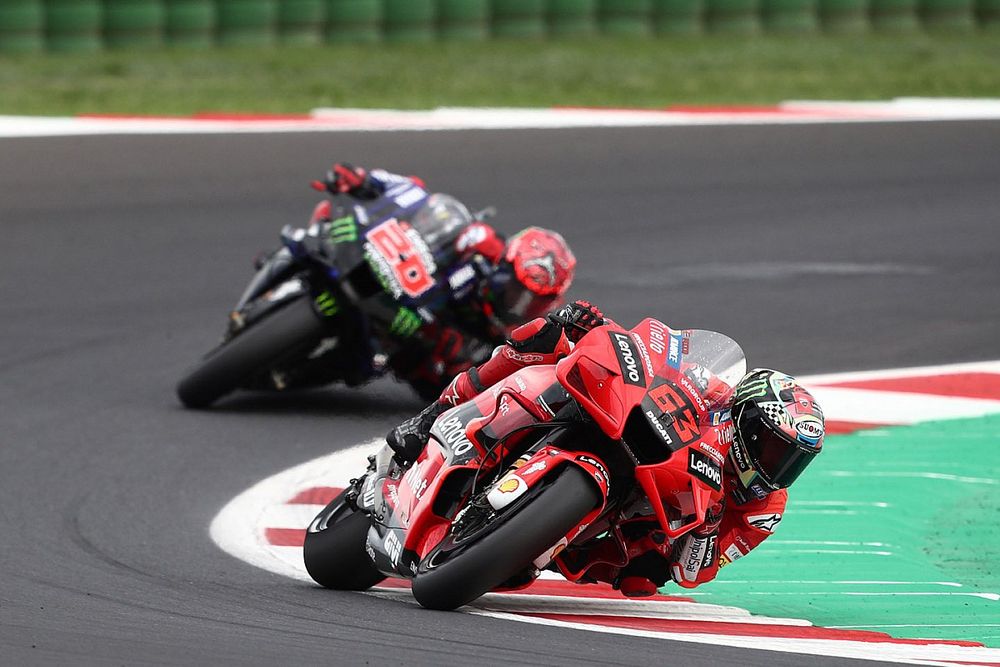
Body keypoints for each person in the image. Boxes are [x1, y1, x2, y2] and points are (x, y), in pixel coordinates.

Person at [386, 301, 825, 597]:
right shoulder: (712, 391)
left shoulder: (762, 509)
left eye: (792, 462)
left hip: (650, 507)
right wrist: (595, 327)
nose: (777, 468)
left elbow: (694, 573)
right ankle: (432, 416)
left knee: (643, 576)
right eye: (773, 449)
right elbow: (659, 351)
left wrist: (706, 528)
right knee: (544, 338)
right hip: (623, 425)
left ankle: (539, 541)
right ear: (745, 419)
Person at [308, 163, 577, 399]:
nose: (519, 306)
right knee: (324, 223)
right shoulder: (483, 242)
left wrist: (447, 348)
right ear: (505, 266)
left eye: (532, 303)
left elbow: (464, 390)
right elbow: (416, 195)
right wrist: (365, 180)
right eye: (518, 292)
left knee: (359, 366)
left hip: (403, 333)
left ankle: (285, 379)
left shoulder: (506, 339)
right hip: (396, 277)